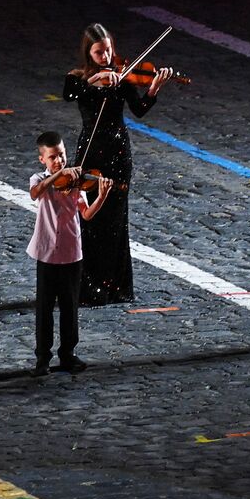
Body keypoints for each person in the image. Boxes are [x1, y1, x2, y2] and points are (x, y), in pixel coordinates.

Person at [63, 23, 173, 305]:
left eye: (108, 50)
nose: (106, 57)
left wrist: (153, 90)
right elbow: (71, 94)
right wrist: (94, 80)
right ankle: (88, 286)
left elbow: (138, 111)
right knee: (89, 219)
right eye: (99, 52)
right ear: (89, 53)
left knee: (115, 220)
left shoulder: (121, 78)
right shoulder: (76, 79)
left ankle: (115, 286)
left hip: (118, 153)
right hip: (90, 152)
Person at [27, 131, 111, 377]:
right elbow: (35, 193)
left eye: (61, 155)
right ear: (43, 159)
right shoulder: (40, 179)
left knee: (69, 308)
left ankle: (68, 354)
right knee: (44, 310)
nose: (59, 161)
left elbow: (85, 214)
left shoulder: (75, 182)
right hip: (47, 254)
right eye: (53, 157)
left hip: (72, 254)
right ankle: (42, 358)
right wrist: (57, 175)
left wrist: (102, 195)